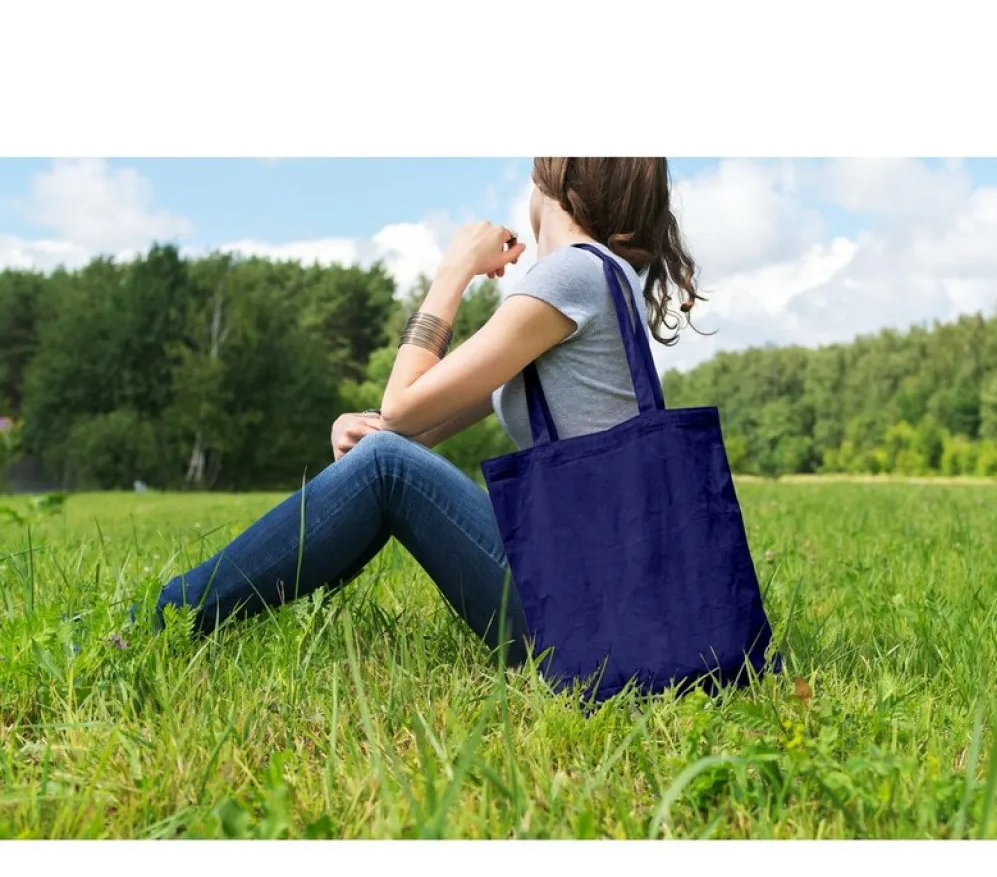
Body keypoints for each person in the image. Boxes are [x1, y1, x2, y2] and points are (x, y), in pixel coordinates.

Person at [154, 157, 704, 667]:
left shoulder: (572, 273)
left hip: (581, 614)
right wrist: (365, 428)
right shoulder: (599, 278)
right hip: (604, 601)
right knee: (383, 458)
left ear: (554, 177)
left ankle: (165, 618)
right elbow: (410, 426)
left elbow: (401, 412)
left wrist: (453, 271)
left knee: (385, 465)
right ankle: (211, 616)